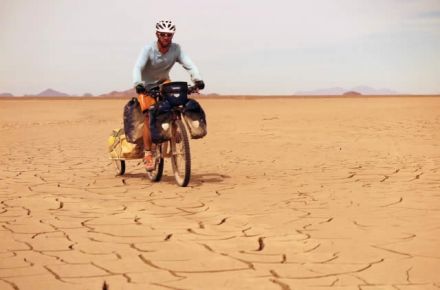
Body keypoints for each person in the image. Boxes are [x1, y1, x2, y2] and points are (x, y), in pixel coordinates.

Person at [133, 20, 205, 171]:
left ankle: (174, 129)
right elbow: (138, 66)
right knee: (148, 115)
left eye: (169, 35)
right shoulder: (148, 49)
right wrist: (138, 84)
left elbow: (189, 64)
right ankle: (147, 154)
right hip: (146, 85)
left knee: (174, 105)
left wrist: (197, 79)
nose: (166, 37)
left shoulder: (176, 49)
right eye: (163, 34)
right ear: (157, 35)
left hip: (163, 82)